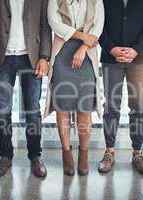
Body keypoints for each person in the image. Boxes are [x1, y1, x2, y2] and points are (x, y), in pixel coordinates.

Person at [0, 0, 52, 178]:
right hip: (2, 58)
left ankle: (35, 156)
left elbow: (45, 25)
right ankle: (5, 156)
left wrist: (44, 56)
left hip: (31, 56)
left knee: (32, 110)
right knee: (2, 110)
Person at [98, 0, 143, 176]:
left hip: (139, 59)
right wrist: (111, 48)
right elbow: (98, 22)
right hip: (111, 58)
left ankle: (137, 153)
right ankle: (109, 152)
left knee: (138, 107)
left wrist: (136, 50)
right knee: (111, 107)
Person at [45, 0, 104, 176]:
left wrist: (84, 46)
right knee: (62, 108)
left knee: (84, 109)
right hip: (62, 54)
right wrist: (82, 36)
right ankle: (67, 154)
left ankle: (84, 155)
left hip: (87, 54)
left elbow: (98, 26)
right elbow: (54, 23)